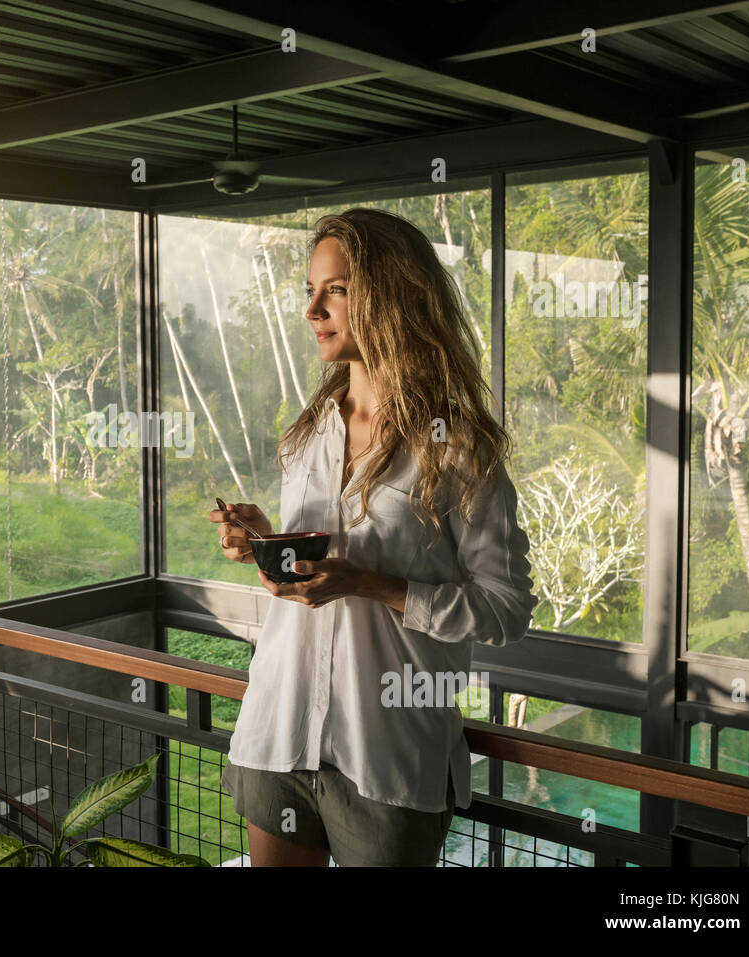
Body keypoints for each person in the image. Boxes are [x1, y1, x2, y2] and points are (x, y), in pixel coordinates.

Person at [208, 207, 539, 866]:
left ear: (392, 294)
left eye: (336, 288)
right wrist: (265, 543)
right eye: (310, 290)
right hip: (279, 728)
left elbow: (505, 608)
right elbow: (316, 570)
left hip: (388, 758)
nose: (313, 309)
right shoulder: (307, 434)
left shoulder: (457, 446)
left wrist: (372, 585)